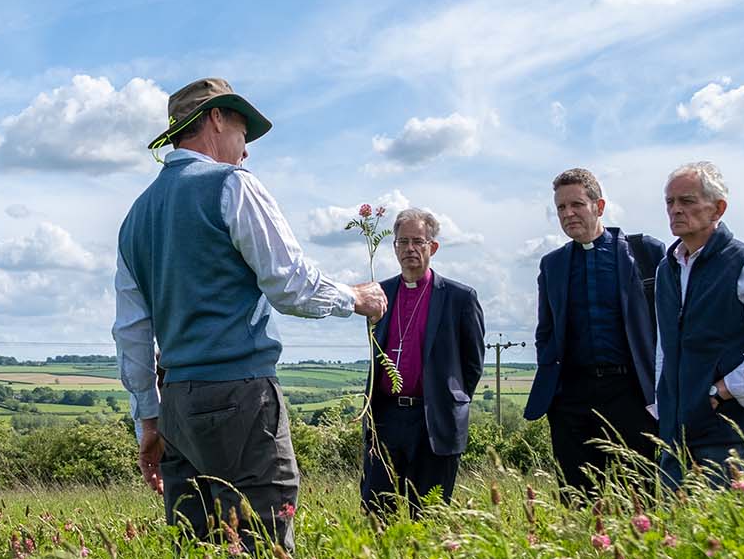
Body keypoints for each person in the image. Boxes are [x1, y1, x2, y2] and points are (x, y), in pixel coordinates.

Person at [113, 77, 387, 553]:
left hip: (177, 405)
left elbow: (132, 333)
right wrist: (356, 297)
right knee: (265, 536)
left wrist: (149, 421)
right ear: (216, 118)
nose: (246, 150)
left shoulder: (135, 216)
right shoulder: (233, 186)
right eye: (243, 130)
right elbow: (291, 285)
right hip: (241, 395)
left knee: (197, 545)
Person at [653, 161, 744, 489]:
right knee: (673, 536)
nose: (675, 210)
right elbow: (665, 344)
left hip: (726, 433)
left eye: (686, 201)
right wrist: (663, 404)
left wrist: (721, 391)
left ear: (718, 208)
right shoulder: (666, 269)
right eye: (669, 202)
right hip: (674, 434)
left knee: (721, 536)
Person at [526, 168, 663, 502]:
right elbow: (546, 331)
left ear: (599, 206)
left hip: (632, 395)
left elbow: (665, 326)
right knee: (577, 500)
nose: (568, 213)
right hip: (571, 399)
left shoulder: (645, 253)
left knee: (640, 496)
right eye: (560, 208)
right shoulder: (552, 264)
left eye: (576, 204)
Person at [361, 207, 485, 519]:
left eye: (418, 241)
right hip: (386, 419)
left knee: (428, 518)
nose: (410, 249)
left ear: (433, 247)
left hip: (434, 421)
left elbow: (472, 364)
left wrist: (448, 398)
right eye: (402, 242)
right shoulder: (380, 293)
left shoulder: (459, 297)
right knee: (377, 515)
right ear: (394, 248)